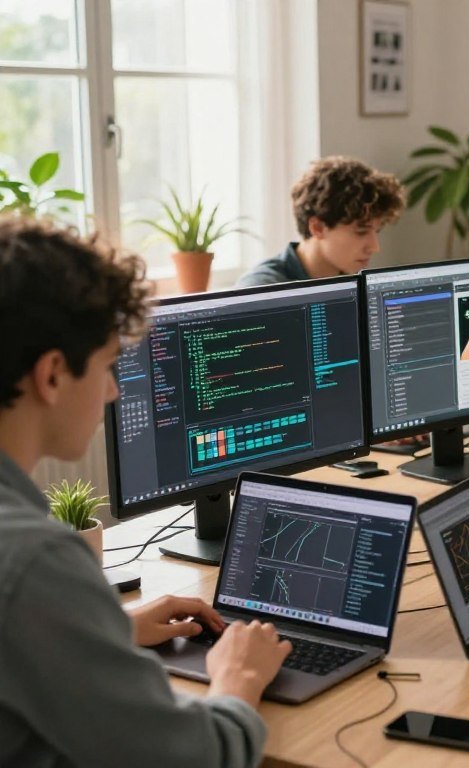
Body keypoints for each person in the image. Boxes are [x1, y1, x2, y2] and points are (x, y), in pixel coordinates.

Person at [0, 218, 291, 767]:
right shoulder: (35, 560)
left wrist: (101, 631)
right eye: (109, 365)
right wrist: (237, 678)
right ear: (53, 374)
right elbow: (194, 758)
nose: (113, 390)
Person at [236, 156, 404, 287]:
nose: (375, 247)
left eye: (377, 231)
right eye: (361, 231)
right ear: (317, 227)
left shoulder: (355, 285)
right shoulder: (260, 290)